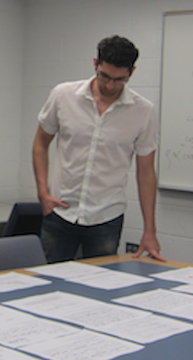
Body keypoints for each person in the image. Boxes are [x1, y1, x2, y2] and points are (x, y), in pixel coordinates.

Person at [32, 35, 166, 263]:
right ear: (95, 63)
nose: (110, 85)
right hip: (60, 211)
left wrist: (149, 230)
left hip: (106, 216)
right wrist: (43, 192)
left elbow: (146, 173)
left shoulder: (143, 111)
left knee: (100, 286)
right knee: (49, 282)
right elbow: (41, 143)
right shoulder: (63, 95)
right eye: (104, 76)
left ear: (131, 72)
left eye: (119, 79)